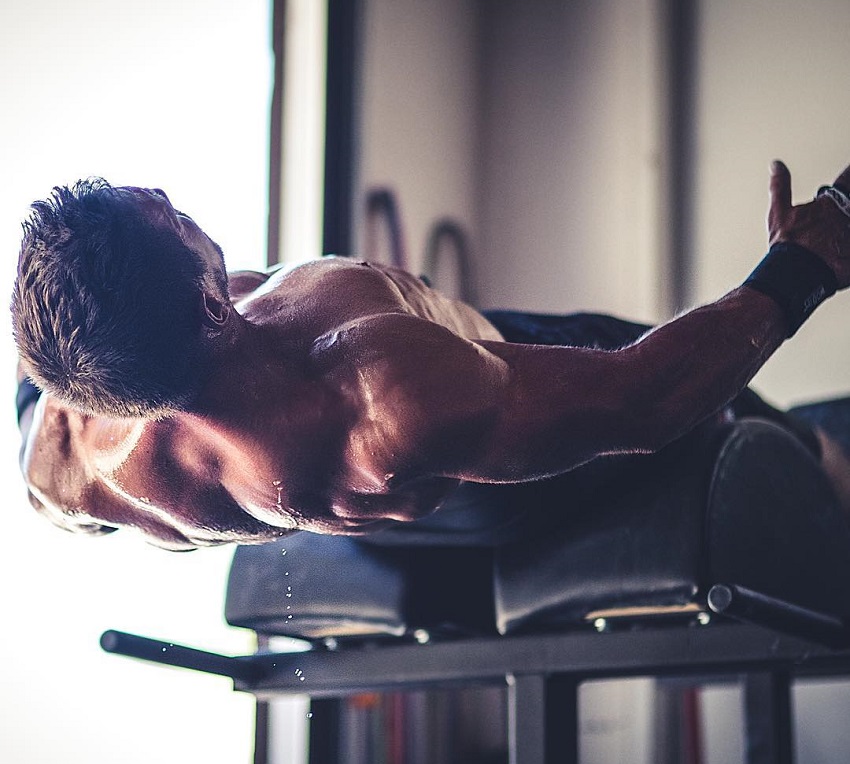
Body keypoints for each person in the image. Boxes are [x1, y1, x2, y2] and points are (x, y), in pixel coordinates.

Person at [11, 163, 850, 550]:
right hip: (489, 460)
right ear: (209, 305)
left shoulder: (74, 442)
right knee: (728, 422)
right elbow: (646, 400)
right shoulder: (384, 398)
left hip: (383, 507)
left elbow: (32, 431)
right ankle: (828, 468)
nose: (169, 195)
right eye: (173, 215)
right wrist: (802, 266)